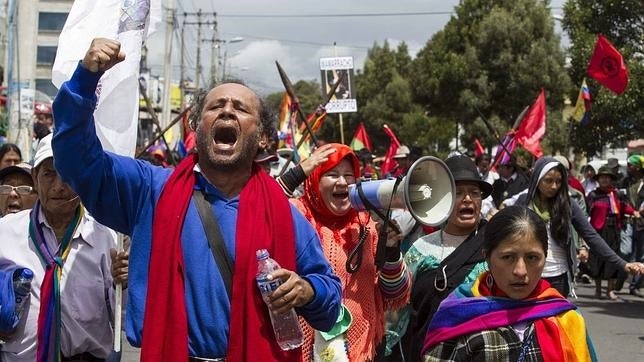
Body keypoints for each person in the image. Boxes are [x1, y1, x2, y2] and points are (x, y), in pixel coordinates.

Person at [51, 38, 342, 361]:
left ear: (262, 137)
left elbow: (329, 305)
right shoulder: (150, 189)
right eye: (215, 107)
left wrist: (306, 290)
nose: (227, 110)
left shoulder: (284, 216)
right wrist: (83, 82)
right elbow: (75, 160)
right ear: (196, 126)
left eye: (240, 108)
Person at [421, 206, 598, 362]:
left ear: (545, 258)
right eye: (508, 257)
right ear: (487, 257)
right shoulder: (456, 317)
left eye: (532, 258)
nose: (520, 271)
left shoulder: (566, 318)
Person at [0, 134, 118, 361]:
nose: (58, 186)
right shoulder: (6, 231)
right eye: (49, 174)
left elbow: (121, 316)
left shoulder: (104, 238)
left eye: (68, 175)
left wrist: (125, 283)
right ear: (35, 177)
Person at [289, 143, 411, 361]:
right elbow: (258, 204)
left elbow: (395, 294)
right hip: (302, 351)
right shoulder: (296, 215)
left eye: (348, 175)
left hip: (362, 351)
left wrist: (391, 252)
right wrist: (297, 173)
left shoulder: (367, 223)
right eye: (332, 174)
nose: (343, 182)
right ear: (314, 178)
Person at [386, 154, 492, 362]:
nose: (468, 199)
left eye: (474, 193)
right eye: (458, 192)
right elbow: (398, 310)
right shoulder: (421, 249)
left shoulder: (496, 247)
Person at [516, 157, 644, 297]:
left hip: (558, 279)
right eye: (548, 180)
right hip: (527, 277)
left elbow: (591, 236)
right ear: (537, 179)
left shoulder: (568, 204)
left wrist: (624, 264)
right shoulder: (523, 203)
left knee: (554, 320)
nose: (554, 186)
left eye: (558, 181)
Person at [586, 166, 639, 300]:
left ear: (611, 179)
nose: (604, 179)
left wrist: (634, 212)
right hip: (598, 230)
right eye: (602, 177)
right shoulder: (593, 195)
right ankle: (598, 290)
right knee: (597, 258)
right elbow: (586, 211)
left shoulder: (616, 194)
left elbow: (624, 207)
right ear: (598, 180)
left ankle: (610, 290)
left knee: (613, 258)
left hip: (613, 229)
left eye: (607, 177)